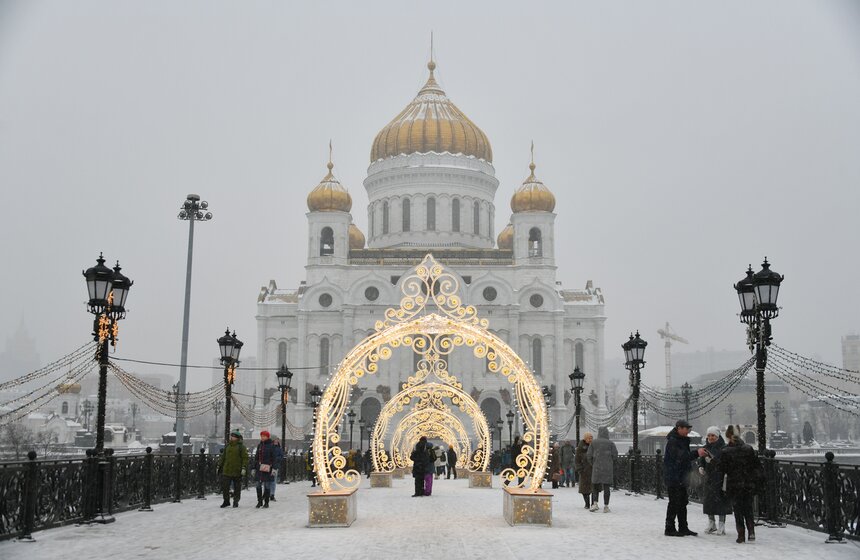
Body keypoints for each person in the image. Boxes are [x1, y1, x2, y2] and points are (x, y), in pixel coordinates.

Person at [718, 425, 762, 544]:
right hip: (747, 483)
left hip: (734, 484)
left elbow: (722, 469)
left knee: (738, 509)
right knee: (748, 507)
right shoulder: (748, 448)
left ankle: (741, 535)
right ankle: (751, 531)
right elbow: (756, 466)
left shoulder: (725, 451)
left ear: (728, 436)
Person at [664, 419, 707, 536]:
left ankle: (683, 527)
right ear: (679, 428)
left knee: (682, 502)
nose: (688, 431)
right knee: (674, 502)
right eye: (686, 428)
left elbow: (683, 457)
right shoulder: (673, 441)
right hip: (674, 477)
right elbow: (681, 457)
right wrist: (697, 453)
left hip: (680, 476)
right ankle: (670, 528)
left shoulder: (680, 440)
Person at [699, 426, 732, 535]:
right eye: (709, 435)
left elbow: (726, 463)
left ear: (717, 436)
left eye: (713, 435)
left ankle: (721, 524)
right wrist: (701, 466)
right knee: (709, 501)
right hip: (709, 478)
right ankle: (711, 523)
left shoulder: (724, 448)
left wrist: (713, 461)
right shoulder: (705, 447)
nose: (710, 437)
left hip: (720, 478)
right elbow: (701, 460)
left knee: (721, 500)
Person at [587, 426, 618, 512]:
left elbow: (589, 455)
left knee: (595, 486)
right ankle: (606, 506)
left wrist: (593, 464)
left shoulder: (593, 443)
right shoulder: (610, 443)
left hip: (597, 467)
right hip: (607, 468)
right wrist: (610, 463)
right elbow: (615, 456)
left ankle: (595, 503)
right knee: (606, 487)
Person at [218, 429, 248, 508]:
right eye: (231, 436)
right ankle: (226, 501)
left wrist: (244, 467)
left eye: (233, 436)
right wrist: (219, 465)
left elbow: (245, 458)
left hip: (237, 470)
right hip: (227, 469)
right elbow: (223, 457)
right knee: (225, 487)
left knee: (237, 487)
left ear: (237, 438)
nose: (232, 437)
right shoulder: (228, 446)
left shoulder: (241, 447)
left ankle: (236, 501)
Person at [253, 430, 277, 508]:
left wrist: (274, 468)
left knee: (267, 485)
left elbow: (274, 458)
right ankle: (259, 501)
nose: (262, 437)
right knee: (258, 485)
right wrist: (254, 467)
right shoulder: (259, 445)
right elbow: (256, 457)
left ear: (267, 437)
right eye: (261, 436)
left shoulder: (271, 446)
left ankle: (266, 502)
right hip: (259, 468)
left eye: (264, 436)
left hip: (267, 468)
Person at [575, 432, 594, 508]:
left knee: (594, 489)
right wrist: (580, 469)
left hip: (593, 471)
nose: (590, 439)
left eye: (591, 438)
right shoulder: (580, 448)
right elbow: (577, 460)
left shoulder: (594, 447)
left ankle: (593, 503)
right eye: (589, 438)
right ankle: (587, 503)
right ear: (585, 439)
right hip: (584, 471)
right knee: (584, 490)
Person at [268, 437, 284, 502]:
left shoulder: (279, 449)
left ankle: (272, 494)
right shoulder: (270, 447)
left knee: (273, 481)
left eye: (277, 440)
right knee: (268, 481)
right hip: (269, 466)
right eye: (275, 440)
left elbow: (281, 456)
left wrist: (276, 459)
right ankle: (267, 493)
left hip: (275, 466)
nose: (276, 441)